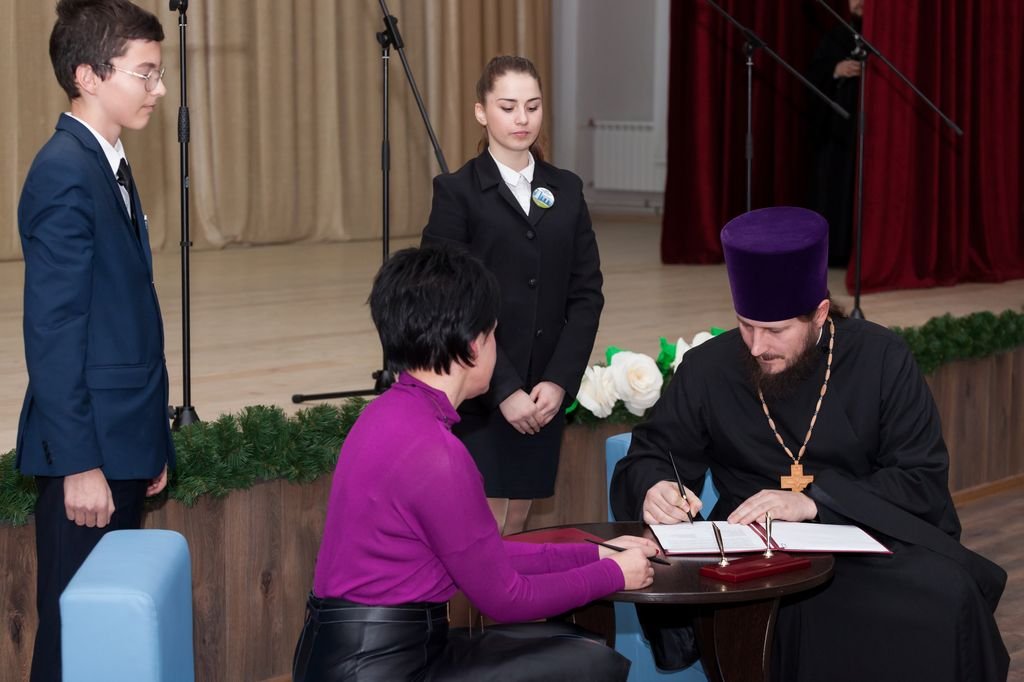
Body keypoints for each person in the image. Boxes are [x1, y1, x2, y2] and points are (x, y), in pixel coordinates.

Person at [611, 207, 1009, 681]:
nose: (756, 346)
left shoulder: (882, 359)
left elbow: (920, 478)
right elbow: (652, 453)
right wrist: (655, 487)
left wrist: (815, 502)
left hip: (863, 539)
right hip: (756, 559)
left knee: (949, 595)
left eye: (776, 331)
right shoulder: (708, 368)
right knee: (790, 612)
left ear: (820, 313)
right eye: (745, 325)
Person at [293, 245, 657, 681]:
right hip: (383, 666)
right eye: (494, 335)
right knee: (590, 661)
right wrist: (612, 574)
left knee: (572, 642)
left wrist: (597, 553)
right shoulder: (438, 455)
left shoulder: (385, 414)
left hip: (345, 654)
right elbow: (506, 597)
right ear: (472, 346)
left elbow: (483, 556)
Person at [16, 1, 174, 679]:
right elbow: (53, 332)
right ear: (88, 75)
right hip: (88, 456)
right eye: (145, 73)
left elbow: (124, 318)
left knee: (106, 640)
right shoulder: (64, 170)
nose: (158, 89)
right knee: (72, 642)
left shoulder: (105, 161)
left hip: (121, 443)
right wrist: (80, 463)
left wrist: (150, 439)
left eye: (158, 73)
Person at [422, 55, 603, 536]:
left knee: (518, 525)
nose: (522, 119)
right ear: (481, 112)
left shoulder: (566, 189)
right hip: (480, 395)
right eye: (507, 107)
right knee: (482, 530)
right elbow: (447, 300)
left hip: (543, 394)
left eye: (532, 106)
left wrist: (559, 381)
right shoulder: (457, 192)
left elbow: (587, 293)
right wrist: (503, 390)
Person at [808, 0, 864, 267]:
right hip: (838, 129)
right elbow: (813, 74)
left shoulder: (886, 36)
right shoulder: (837, 35)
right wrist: (836, 70)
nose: (860, 1)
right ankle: (836, 252)